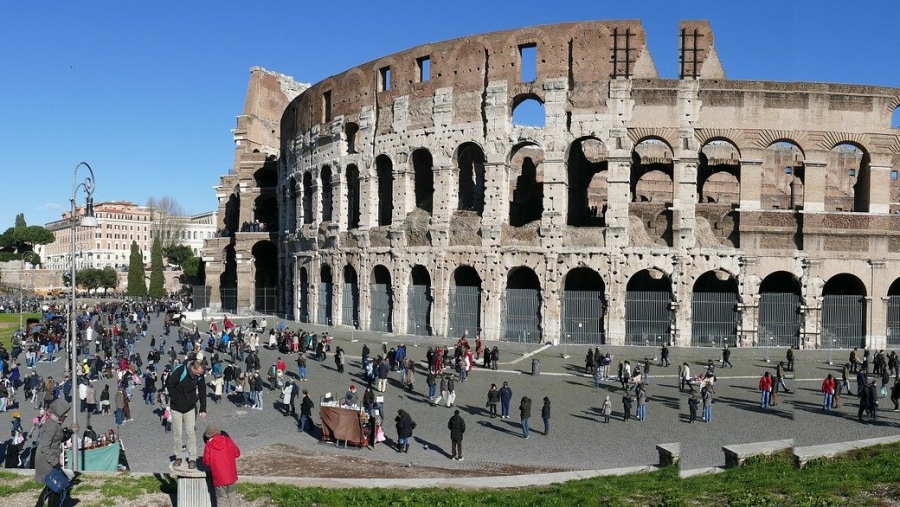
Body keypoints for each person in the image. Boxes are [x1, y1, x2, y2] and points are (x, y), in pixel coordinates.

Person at [165, 358, 207, 469]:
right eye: (199, 372)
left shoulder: (200, 375)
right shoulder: (181, 371)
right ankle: (178, 456)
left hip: (190, 407)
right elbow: (169, 384)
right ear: (193, 368)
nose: (201, 374)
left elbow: (202, 390)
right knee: (177, 434)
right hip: (176, 408)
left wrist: (203, 408)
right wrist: (176, 399)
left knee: (191, 433)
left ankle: (192, 458)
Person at [34, 398, 71, 507]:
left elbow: (54, 441)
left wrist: (64, 437)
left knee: (53, 487)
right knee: (55, 486)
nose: (66, 416)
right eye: (65, 414)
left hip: (49, 458)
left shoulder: (54, 423)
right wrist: (55, 462)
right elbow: (45, 447)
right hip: (46, 460)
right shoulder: (52, 426)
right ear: (59, 414)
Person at [202, 424, 241, 507]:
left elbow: (206, 461)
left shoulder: (209, 445)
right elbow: (237, 453)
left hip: (219, 478)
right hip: (231, 476)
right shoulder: (228, 440)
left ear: (208, 436)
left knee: (220, 499)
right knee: (232, 496)